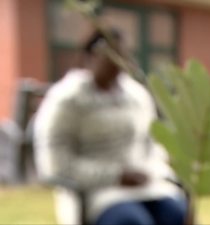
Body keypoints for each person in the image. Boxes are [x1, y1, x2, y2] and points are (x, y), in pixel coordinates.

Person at [33, 29, 187, 225]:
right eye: (110, 55)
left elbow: (153, 144)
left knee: (177, 213)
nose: (117, 61)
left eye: (122, 54)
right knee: (132, 221)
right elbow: (54, 165)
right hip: (98, 192)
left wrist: (155, 170)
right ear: (91, 56)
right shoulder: (67, 99)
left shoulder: (137, 95)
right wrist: (115, 175)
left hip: (148, 186)